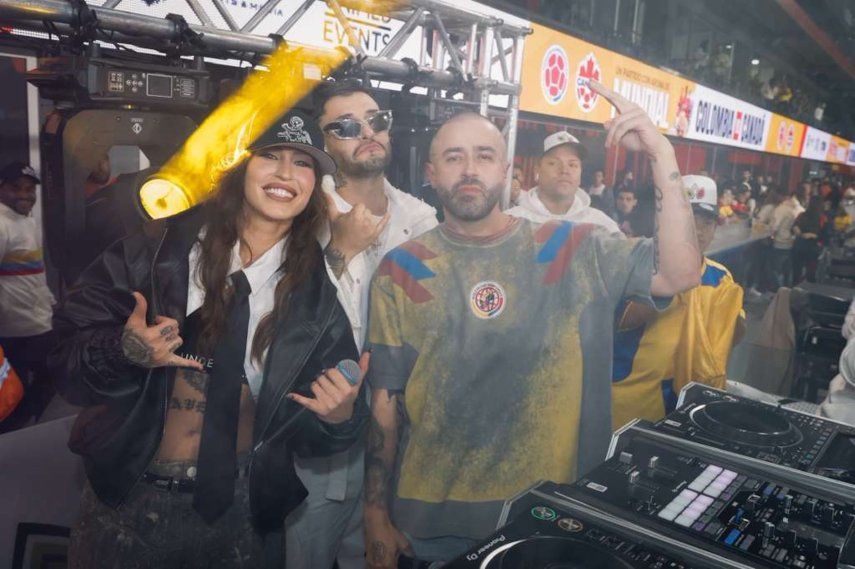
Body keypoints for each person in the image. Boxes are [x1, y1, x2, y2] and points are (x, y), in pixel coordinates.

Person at [363, 80, 702, 568]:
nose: (470, 170)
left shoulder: (574, 248)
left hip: (549, 515)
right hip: (431, 525)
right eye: (454, 158)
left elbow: (680, 272)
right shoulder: (403, 269)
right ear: (432, 174)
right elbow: (384, 403)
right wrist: (375, 516)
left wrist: (661, 152)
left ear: (506, 170)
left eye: (483, 155)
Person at [48, 109, 369, 568]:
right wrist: (124, 352)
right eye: (270, 156)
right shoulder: (153, 254)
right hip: (129, 500)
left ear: (314, 185)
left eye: (303, 163)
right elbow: (63, 366)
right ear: (239, 167)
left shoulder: (315, 299)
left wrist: (339, 419)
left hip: (240, 514)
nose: (285, 173)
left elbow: (309, 436)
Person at [283, 80, 437, 569]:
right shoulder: (300, 210)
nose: (367, 132)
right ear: (324, 143)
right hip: (318, 432)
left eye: (377, 120)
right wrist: (339, 249)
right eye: (346, 127)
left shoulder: (421, 218)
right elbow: (279, 318)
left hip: (398, 432)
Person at [612, 176, 745, 429]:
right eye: (690, 220)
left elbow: (729, 338)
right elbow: (614, 323)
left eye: (707, 222)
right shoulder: (635, 263)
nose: (699, 230)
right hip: (629, 400)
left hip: (688, 400)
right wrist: (667, 286)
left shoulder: (720, 278)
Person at [0, 161, 55, 433]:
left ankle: (20, 428)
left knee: (39, 381)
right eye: (16, 188)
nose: (25, 194)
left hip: (36, 321)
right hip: (15, 329)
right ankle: (14, 432)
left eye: (30, 189)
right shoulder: (1, 224)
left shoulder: (26, 221)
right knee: (15, 390)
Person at [506, 131, 620, 233]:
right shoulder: (512, 221)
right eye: (553, 163)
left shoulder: (601, 225)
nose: (564, 171)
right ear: (537, 170)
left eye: (572, 165)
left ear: (580, 173)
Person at [769, 186, 805, 289]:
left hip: (780, 242)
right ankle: (787, 291)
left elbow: (774, 226)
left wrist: (771, 235)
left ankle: (778, 291)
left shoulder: (781, 209)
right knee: (788, 270)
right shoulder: (801, 209)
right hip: (793, 243)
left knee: (775, 269)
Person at [791, 196, 824, 283]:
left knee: (799, 272)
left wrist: (805, 234)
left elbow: (794, 227)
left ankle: (797, 289)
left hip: (803, 246)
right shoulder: (821, 218)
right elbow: (825, 234)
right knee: (808, 273)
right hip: (809, 247)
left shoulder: (803, 215)